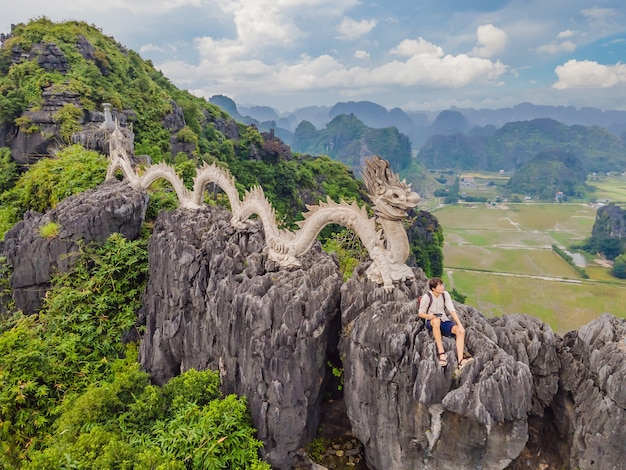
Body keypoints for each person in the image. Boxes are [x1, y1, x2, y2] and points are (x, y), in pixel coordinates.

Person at [417, 277, 473, 369]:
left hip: (444, 320)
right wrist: (431, 316)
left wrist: (459, 324)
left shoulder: (445, 295)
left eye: (442, 285)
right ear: (433, 288)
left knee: (460, 331)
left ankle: (461, 361)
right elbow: (421, 313)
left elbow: (451, 310)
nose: (443, 287)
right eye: (440, 286)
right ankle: (441, 353)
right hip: (431, 321)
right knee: (436, 321)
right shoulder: (427, 297)